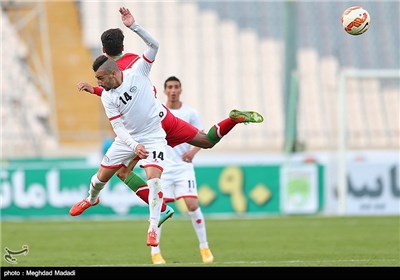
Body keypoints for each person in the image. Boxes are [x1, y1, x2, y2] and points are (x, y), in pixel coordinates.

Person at [75, 28, 264, 223]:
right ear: (123, 45)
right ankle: (232, 120)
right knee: (206, 141)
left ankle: (160, 209)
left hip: (143, 130)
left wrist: (95, 90)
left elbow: (116, 95)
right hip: (161, 116)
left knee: (123, 172)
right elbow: (129, 90)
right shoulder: (132, 61)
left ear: (103, 49)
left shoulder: (108, 72)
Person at [69, 6, 167, 247]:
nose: (98, 83)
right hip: (129, 136)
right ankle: (92, 199)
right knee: (102, 178)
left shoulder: (137, 71)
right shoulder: (108, 93)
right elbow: (118, 125)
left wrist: (134, 25)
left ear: (113, 72)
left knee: (154, 180)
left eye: (100, 79)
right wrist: (134, 145)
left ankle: (153, 227)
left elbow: (154, 47)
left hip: (153, 133)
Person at [150, 76, 214, 265]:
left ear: (181, 90)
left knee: (192, 205)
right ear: (164, 91)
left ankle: (204, 247)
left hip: (183, 167)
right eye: (170, 87)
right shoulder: (158, 111)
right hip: (163, 167)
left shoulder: (190, 113)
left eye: (176, 87)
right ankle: (155, 252)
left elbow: (202, 137)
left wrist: (192, 152)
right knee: (159, 208)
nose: (173, 90)